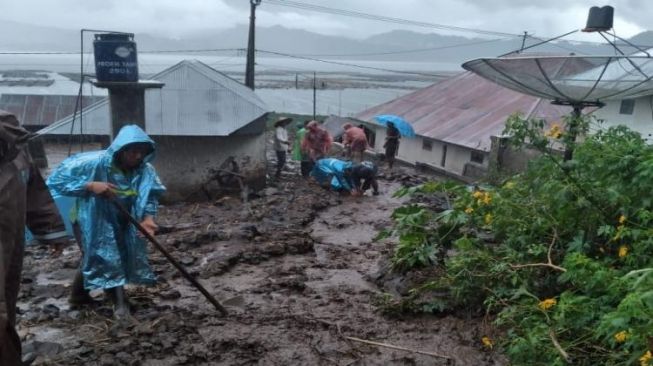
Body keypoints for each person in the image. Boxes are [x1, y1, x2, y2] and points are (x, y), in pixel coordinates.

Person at [47, 125, 165, 316]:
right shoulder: (92, 163)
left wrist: (148, 218)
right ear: (121, 150)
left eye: (141, 152)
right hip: (91, 218)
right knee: (106, 254)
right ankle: (120, 304)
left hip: (123, 217)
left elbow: (151, 194)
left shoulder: (145, 170)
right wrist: (89, 185)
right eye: (133, 151)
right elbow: (56, 181)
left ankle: (78, 297)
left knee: (98, 255)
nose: (137, 156)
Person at [0, 110, 69, 364]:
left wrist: (51, 230)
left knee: (7, 300)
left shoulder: (18, 155)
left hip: (10, 241)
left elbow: (35, 191)